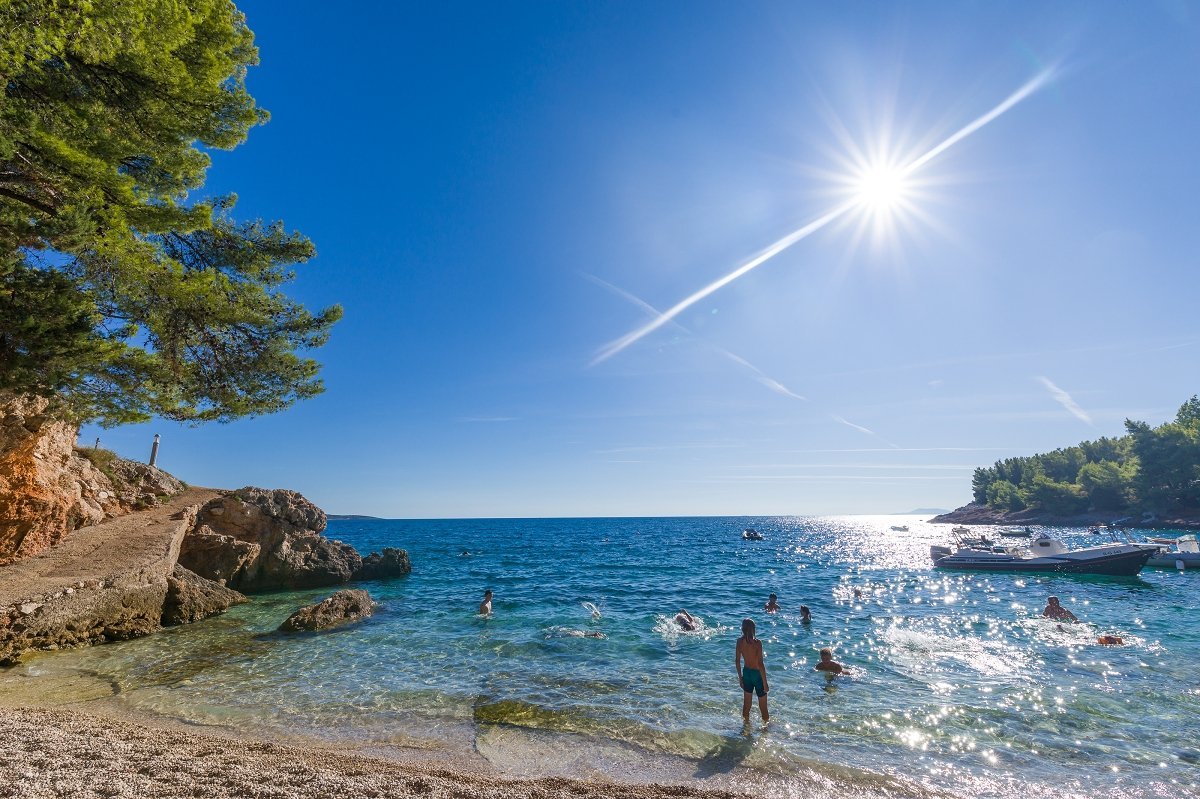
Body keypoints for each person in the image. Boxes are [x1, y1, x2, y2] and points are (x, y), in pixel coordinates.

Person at [735, 618, 769, 723]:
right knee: (763, 707)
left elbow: (737, 661)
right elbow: (760, 664)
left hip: (746, 673)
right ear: (753, 629)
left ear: (743, 629)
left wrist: (740, 678)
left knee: (746, 705)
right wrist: (765, 683)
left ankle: (745, 727)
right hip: (757, 675)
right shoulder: (757, 643)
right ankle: (765, 730)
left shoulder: (739, 642)